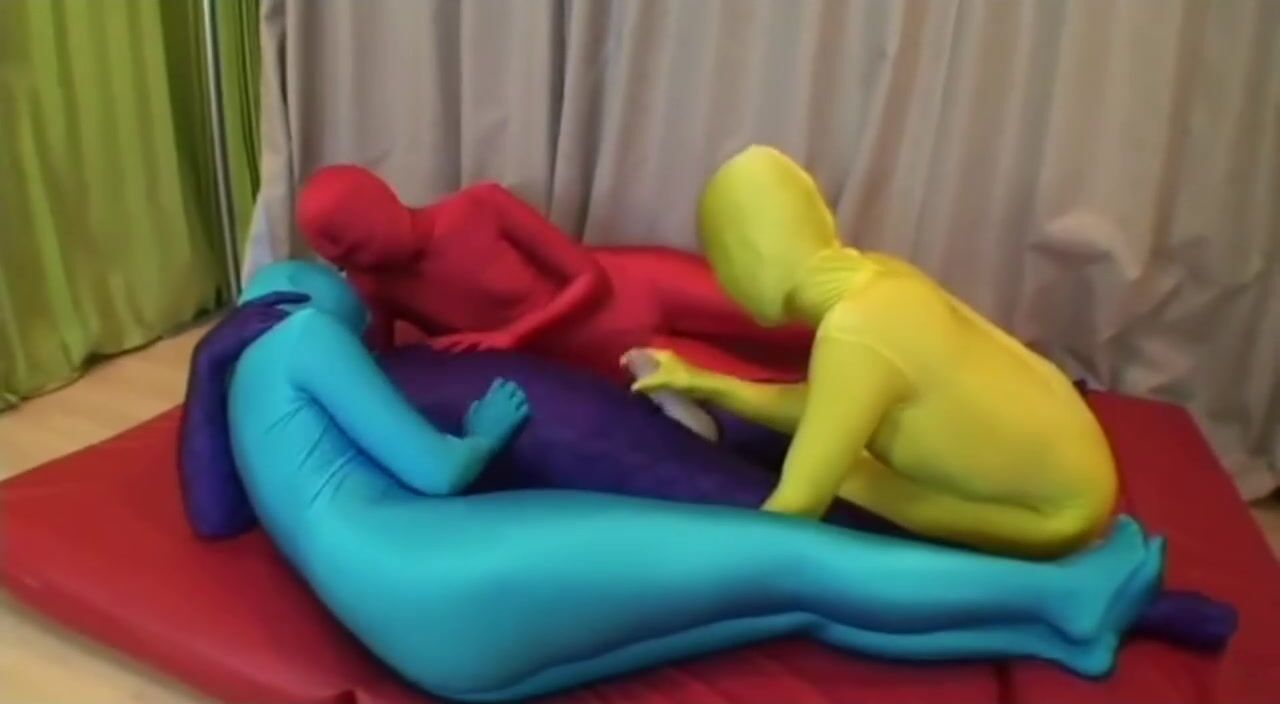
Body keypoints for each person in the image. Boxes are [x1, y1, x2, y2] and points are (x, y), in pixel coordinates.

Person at [181, 259, 1217, 703]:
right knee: (793, 557)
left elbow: (220, 511)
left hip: (434, 646)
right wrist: (484, 430)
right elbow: (435, 470)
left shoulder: (235, 390)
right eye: (339, 285)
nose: (359, 305)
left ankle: (1056, 626)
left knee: (786, 595)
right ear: (294, 288)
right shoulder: (301, 333)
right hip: (442, 579)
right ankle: (1060, 592)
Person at [633, 145, 1119, 560]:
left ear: (745, 263)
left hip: (1055, 520)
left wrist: (687, 561)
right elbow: (830, 408)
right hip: (1086, 480)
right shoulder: (884, 276)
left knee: (848, 481)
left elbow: (796, 507)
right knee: (833, 455)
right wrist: (704, 383)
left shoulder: (855, 334)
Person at [295, 165, 814, 385]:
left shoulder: (479, 207)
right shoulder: (377, 283)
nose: (360, 260)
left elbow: (588, 278)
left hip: (638, 286)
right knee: (773, 392)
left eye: (358, 240)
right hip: (618, 355)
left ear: (381, 198)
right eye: (344, 257)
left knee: (795, 314)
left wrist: (512, 337)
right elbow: (380, 367)